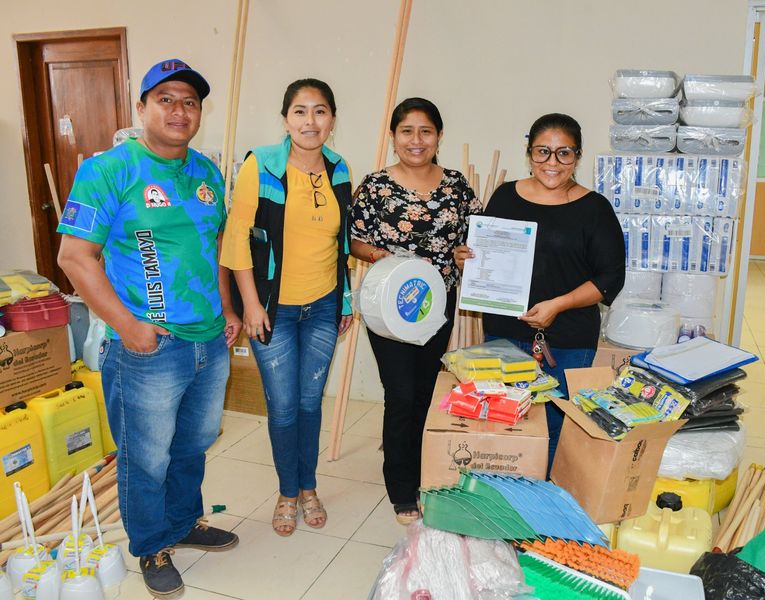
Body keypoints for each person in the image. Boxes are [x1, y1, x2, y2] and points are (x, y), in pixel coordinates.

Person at [57, 58, 241, 600]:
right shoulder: (109, 171)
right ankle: (151, 544)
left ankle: (183, 522)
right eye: (166, 99)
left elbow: (213, 248)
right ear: (141, 108)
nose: (179, 110)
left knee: (194, 443)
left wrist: (228, 309)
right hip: (148, 346)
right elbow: (74, 257)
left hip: (209, 339)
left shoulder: (206, 172)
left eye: (190, 101)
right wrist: (128, 327)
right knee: (146, 455)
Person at [454, 113, 625, 472]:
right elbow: (487, 255)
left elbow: (610, 277)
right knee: (504, 420)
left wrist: (558, 305)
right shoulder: (505, 196)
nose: (552, 162)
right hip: (504, 332)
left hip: (567, 339)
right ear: (529, 152)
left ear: (577, 156)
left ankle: (542, 495)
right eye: (542, 151)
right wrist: (467, 260)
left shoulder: (594, 208)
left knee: (552, 425)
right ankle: (507, 492)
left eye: (564, 153)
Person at [220, 79, 353, 536]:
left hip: (323, 306)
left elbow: (341, 243)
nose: (310, 121)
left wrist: (345, 298)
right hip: (272, 309)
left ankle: (309, 486)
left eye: (320, 111)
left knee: (310, 402)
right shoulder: (260, 165)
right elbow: (237, 238)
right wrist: (250, 304)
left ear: (332, 119)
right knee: (283, 407)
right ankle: (287, 493)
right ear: (285, 119)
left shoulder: (339, 168)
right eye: (300, 111)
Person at [350, 98, 481, 524]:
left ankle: (425, 470)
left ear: (439, 136)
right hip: (389, 306)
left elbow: (476, 239)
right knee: (401, 394)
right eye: (407, 130)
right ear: (394, 136)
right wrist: (384, 257)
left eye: (426, 131)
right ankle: (401, 486)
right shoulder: (376, 186)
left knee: (425, 392)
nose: (416, 140)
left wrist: (465, 255)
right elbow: (354, 240)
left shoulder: (457, 185)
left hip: (435, 305)